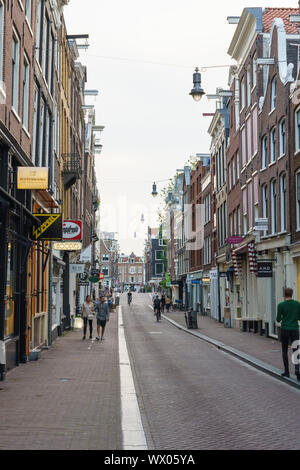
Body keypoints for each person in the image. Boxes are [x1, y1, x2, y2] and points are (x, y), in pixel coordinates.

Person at [276, 287, 300, 380]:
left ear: (284, 294)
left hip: (285, 329)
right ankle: (297, 371)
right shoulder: (297, 304)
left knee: (285, 350)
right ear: (292, 294)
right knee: (296, 350)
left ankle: (286, 372)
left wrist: (283, 318)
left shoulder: (281, 305)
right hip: (294, 329)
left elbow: (278, 319)